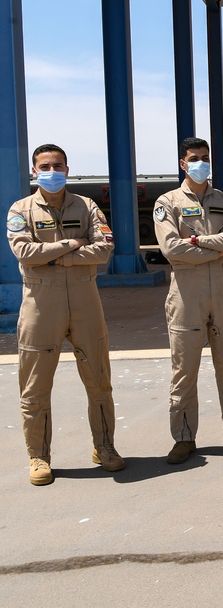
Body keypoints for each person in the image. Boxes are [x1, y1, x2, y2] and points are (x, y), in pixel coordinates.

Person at [6, 144, 124, 485]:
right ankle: (38, 456)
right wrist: (72, 245)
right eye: (45, 165)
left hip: (86, 304)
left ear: (68, 170)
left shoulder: (87, 206)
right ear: (34, 171)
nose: (52, 171)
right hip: (41, 307)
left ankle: (105, 447)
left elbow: (104, 248)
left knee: (99, 381)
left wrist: (57, 257)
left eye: (58, 165)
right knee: (35, 387)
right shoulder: (21, 209)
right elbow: (24, 252)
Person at [154, 137, 223, 464]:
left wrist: (199, 241)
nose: (200, 163)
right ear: (183, 164)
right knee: (184, 368)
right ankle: (184, 437)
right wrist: (218, 248)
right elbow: (172, 248)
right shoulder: (167, 202)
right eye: (194, 158)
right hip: (187, 291)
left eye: (205, 158)